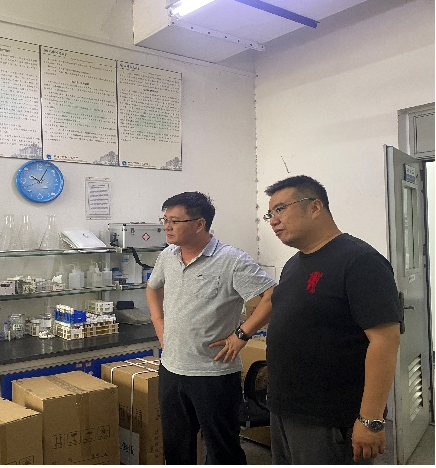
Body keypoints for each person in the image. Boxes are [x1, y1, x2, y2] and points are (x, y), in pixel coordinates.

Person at [262, 175, 401, 465]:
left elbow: (385, 341)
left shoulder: (360, 260)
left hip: (329, 418)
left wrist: (371, 419)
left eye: (281, 209)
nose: (273, 220)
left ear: (315, 207)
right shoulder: (294, 264)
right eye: (270, 213)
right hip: (285, 409)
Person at [146, 191, 275, 465]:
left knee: (222, 449)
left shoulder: (231, 260)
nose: (167, 226)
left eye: (174, 221)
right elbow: (153, 287)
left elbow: (272, 296)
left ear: (199, 224)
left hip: (213, 373)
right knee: (176, 447)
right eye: (165, 220)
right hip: (172, 369)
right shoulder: (168, 256)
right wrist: (159, 323)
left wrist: (242, 335)